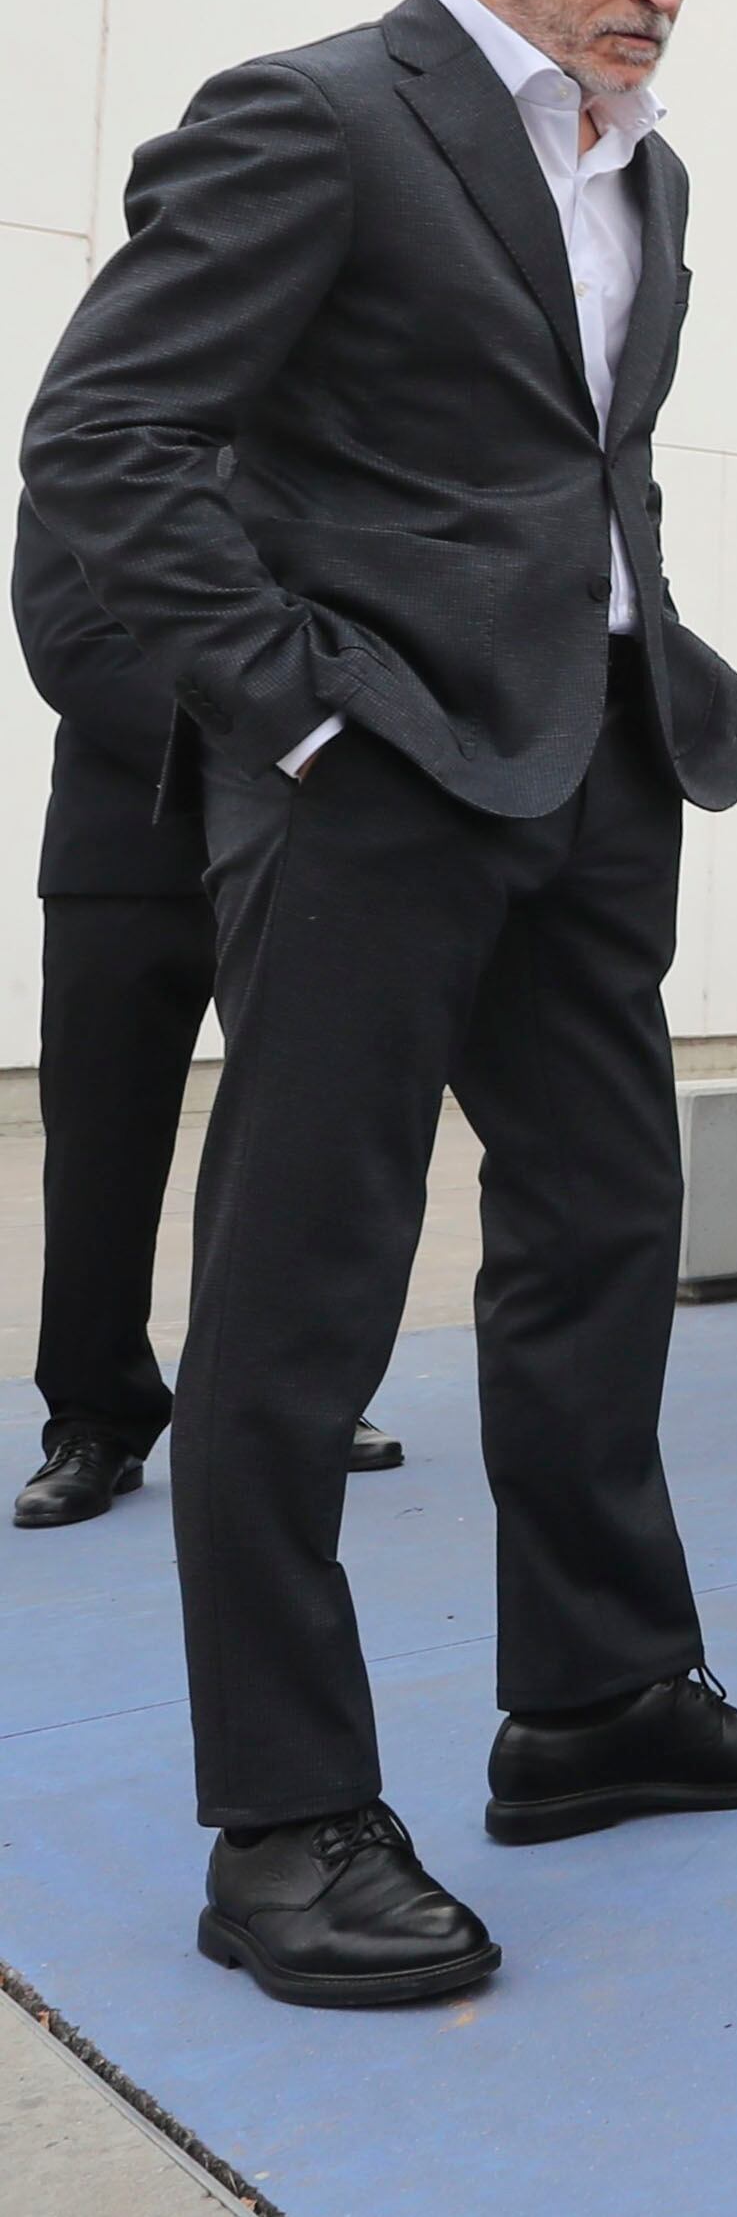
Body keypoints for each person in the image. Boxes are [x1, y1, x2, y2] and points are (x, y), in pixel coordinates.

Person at [18, 0, 737, 2009]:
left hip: (584, 777)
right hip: (372, 780)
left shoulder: (639, 172)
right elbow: (104, 437)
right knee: (304, 1298)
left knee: (603, 1235)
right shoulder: (317, 116)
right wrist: (291, 707)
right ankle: (283, 1823)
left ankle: (592, 1699)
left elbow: (577, 463)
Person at [13, 506, 408, 1528]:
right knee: (101, 1148)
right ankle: (95, 1419)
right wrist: (264, 744)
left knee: (294, 1143)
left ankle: (298, 1398)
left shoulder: (328, 439)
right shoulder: (102, 432)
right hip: (125, 846)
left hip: (303, 851)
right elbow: (69, 639)